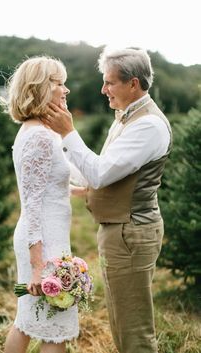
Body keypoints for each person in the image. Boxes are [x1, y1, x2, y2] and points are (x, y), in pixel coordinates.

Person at [43, 47, 172, 353]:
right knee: (120, 321)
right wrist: (55, 158)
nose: (103, 89)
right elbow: (97, 174)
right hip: (119, 231)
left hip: (130, 233)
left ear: (134, 83)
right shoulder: (125, 119)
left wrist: (68, 133)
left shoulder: (147, 126)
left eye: (109, 82)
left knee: (134, 331)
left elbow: (99, 173)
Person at [0, 56, 79, 353]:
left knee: (29, 320)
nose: (65, 90)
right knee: (53, 330)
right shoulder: (41, 138)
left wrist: (82, 192)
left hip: (47, 238)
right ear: (39, 89)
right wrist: (37, 267)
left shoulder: (38, 131)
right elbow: (32, 204)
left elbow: (45, 187)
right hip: (43, 244)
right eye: (58, 83)